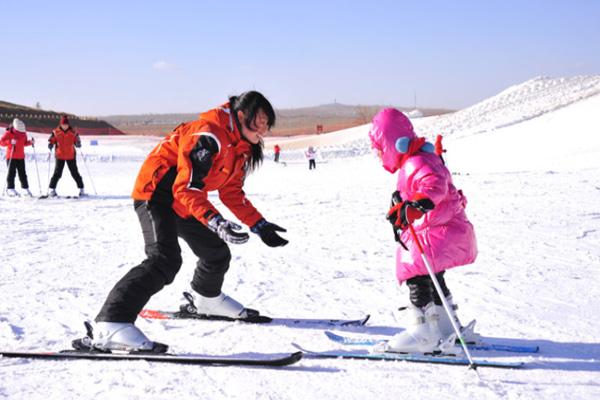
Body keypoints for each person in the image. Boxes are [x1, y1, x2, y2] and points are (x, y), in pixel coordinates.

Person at [76, 91, 289, 353]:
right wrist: (217, 222)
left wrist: (260, 225)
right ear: (241, 115)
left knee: (216, 253)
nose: (263, 132)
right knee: (164, 259)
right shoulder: (209, 135)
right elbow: (185, 188)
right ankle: (111, 323)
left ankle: (206, 300)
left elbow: (230, 191)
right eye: (259, 124)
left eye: (267, 126)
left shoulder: (241, 147)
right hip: (156, 194)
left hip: (184, 201)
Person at [368, 108, 477, 354]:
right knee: (433, 276)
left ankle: (423, 333)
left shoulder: (416, 162)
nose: (377, 155)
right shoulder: (420, 159)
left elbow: (433, 185)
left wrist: (416, 205)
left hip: (437, 232)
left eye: (379, 149)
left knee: (414, 270)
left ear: (390, 145)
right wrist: (403, 204)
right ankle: (449, 327)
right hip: (444, 231)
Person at [47, 115, 85, 197]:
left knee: (75, 173)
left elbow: (77, 140)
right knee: (57, 173)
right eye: (63, 124)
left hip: (70, 155)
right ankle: (52, 189)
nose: (65, 126)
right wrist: (50, 144)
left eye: (66, 124)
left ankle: (81, 189)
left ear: (68, 125)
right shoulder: (55, 132)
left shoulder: (73, 132)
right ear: (60, 124)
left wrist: (78, 143)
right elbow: (51, 140)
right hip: (59, 155)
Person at [1, 118, 33, 197]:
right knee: (11, 173)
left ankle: (25, 189)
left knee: (23, 174)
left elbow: (24, 143)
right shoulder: (9, 133)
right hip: (11, 156)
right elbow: (1, 142)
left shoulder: (24, 134)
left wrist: (30, 142)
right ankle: (10, 189)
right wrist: (10, 142)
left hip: (20, 157)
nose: (21, 133)